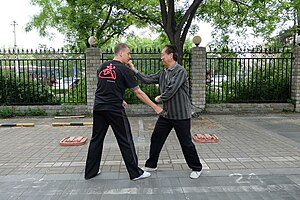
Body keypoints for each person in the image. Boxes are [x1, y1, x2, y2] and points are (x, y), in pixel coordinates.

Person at [84, 43, 163, 181]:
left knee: (96, 139)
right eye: (129, 53)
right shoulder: (124, 70)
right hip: (114, 110)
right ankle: (135, 173)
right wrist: (155, 107)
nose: (130, 57)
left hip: (99, 107)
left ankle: (90, 172)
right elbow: (138, 92)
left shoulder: (102, 67)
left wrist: (120, 99)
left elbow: (105, 87)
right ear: (121, 53)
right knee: (125, 140)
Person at [128, 44, 203, 179]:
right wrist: (134, 70)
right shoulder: (163, 72)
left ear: (170, 55)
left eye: (163, 54)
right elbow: (148, 79)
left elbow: (171, 89)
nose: (161, 57)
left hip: (181, 116)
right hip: (166, 115)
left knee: (186, 143)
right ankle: (152, 164)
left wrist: (159, 98)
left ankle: (197, 167)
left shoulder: (180, 71)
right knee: (156, 138)